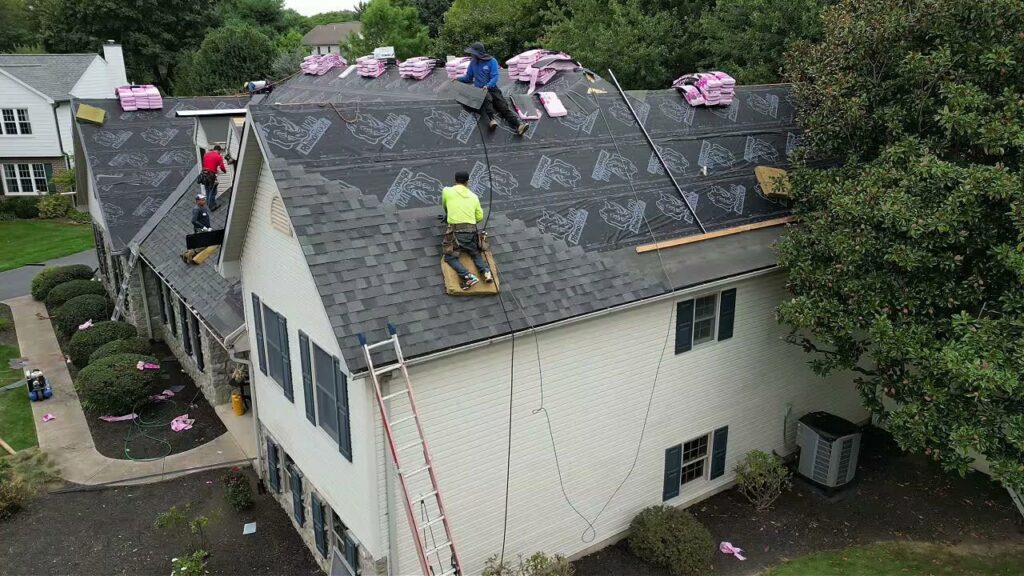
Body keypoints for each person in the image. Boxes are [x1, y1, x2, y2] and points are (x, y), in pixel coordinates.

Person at [458, 42, 528, 136]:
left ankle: (519, 125)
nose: (471, 55)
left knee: (502, 106)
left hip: (491, 87)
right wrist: (457, 79)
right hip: (480, 90)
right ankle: (492, 120)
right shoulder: (473, 63)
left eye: (473, 53)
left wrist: (488, 85)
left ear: (478, 53)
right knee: (488, 99)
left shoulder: (492, 61)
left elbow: (494, 77)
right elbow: (468, 78)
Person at [442, 171, 493, 289]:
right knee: (474, 252)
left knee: (450, 257)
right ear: (467, 182)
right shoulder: (474, 196)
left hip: (456, 233)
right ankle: (486, 272)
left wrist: (450, 214)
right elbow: (479, 217)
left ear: (455, 180)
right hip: (471, 232)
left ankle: (468, 276)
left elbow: (445, 206)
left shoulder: (447, 191)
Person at [201, 145, 228, 210]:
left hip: (204, 174)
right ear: (219, 150)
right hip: (211, 176)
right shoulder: (218, 156)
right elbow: (222, 167)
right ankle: (212, 206)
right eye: (220, 151)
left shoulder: (206, 154)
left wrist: (214, 169)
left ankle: (209, 204)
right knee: (213, 191)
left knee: (207, 190)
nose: (220, 153)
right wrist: (225, 171)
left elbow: (205, 164)